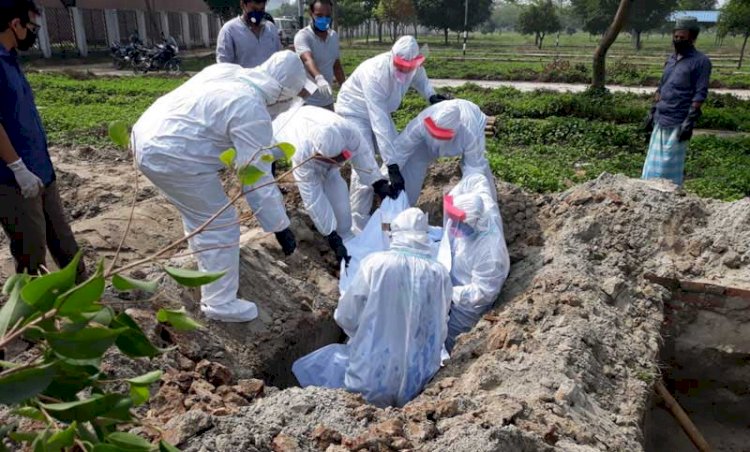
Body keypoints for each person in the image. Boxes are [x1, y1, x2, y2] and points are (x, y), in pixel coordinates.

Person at [132, 51, 309, 323]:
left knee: (200, 212)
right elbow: (256, 178)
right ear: (282, 95)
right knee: (221, 223)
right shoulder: (251, 108)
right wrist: (280, 227)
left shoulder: (228, 72)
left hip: (145, 135)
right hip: (172, 155)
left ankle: (205, 258)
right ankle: (219, 303)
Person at [292, 208, 452, 407]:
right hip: (418, 385)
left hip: (368, 380)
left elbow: (346, 316)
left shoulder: (376, 264)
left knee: (321, 366)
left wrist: (362, 338)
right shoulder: (439, 273)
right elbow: (440, 326)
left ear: (396, 233)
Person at [0, 0, 85, 279]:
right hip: (14, 181)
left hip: (42, 171)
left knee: (65, 242)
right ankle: (32, 315)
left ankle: (87, 295)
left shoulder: (10, 58)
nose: (35, 34)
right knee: (31, 252)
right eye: (32, 27)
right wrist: (18, 169)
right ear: (15, 24)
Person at [335, 35, 449, 231]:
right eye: (400, 66)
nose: (404, 71)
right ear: (392, 57)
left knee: (399, 152)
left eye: (409, 67)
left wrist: (431, 95)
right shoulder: (375, 73)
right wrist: (393, 167)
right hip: (354, 111)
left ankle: (394, 214)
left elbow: (420, 78)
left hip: (380, 110)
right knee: (365, 164)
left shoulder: (413, 67)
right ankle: (358, 225)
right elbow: (379, 124)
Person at [273, 106, 391, 264]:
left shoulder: (349, 132)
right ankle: (276, 210)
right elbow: (313, 198)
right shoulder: (302, 154)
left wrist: (377, 181)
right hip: (281, 129)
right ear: (318, 154)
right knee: (266, 170)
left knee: (337, 191)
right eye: (331, 160)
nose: (337, 162)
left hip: (311, 119)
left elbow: (363, 154)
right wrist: (330, 234)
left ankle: (346, 235)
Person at [437, 174, 510, 352]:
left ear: (471, 223)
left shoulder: (490, 255)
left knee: (451, 338)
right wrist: (453, 195)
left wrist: (448, 293)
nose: (452, 226)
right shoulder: (483, 203)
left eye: (457, 224)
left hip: (466, 308)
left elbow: (483, 293)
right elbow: (477, 178)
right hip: (453, 281)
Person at [642, 16, 711, 187]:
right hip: (661, 116)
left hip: (678, 121)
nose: (678, 40)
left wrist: (690, 120)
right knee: (652, 165)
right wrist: (653, 110)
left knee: (668, 166)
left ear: (692, 38)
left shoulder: (701, 62)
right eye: (676, 37)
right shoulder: (671, 60)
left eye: (683, 38)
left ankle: (670, 196)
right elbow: (662, 86)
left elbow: (700, 94)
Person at [389, 99, 497, 207]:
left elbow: (474, 168)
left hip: (471, 135)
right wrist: (388, 173)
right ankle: (403, 207)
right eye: (435, 135)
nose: (438, 142)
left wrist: (461, 194)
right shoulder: (422, 122)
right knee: (412, 167)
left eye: (442, 138)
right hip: (425, 145)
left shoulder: (471, 132)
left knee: (479, 179)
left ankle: (487, 209)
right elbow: (401, 148)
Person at [294, 0, 345, 111]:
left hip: (327, 100)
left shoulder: (333, 36)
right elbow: (307, 59)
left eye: (327, 16)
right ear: (311, 14)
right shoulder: (303, 36)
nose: (324, 19)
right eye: (319, 15)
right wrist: (319, 78)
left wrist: (345, 86)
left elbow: (336, 65)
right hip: (307, 102)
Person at [216, 0, 281, 68]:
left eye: (261, 9)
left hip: (269, 78)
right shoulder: (229, 31)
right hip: (242, 78)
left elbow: (278, 59)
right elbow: (224, 67)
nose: (258, 13)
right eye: (254, 9)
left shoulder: (271, 29)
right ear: (243, 5)